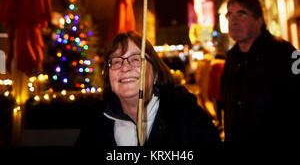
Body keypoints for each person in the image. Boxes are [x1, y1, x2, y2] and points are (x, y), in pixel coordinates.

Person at [75, 31, 221, 147]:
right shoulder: (94, 125)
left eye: (136, 59)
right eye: (116, 61)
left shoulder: (188, 118)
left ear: (156, 74)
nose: (125, 67)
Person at [220, 0, 300, 144]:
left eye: (242, 14)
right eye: (230, 15)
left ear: (259, 20)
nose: (234, 21)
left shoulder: (284, 52)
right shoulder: (231, 58)